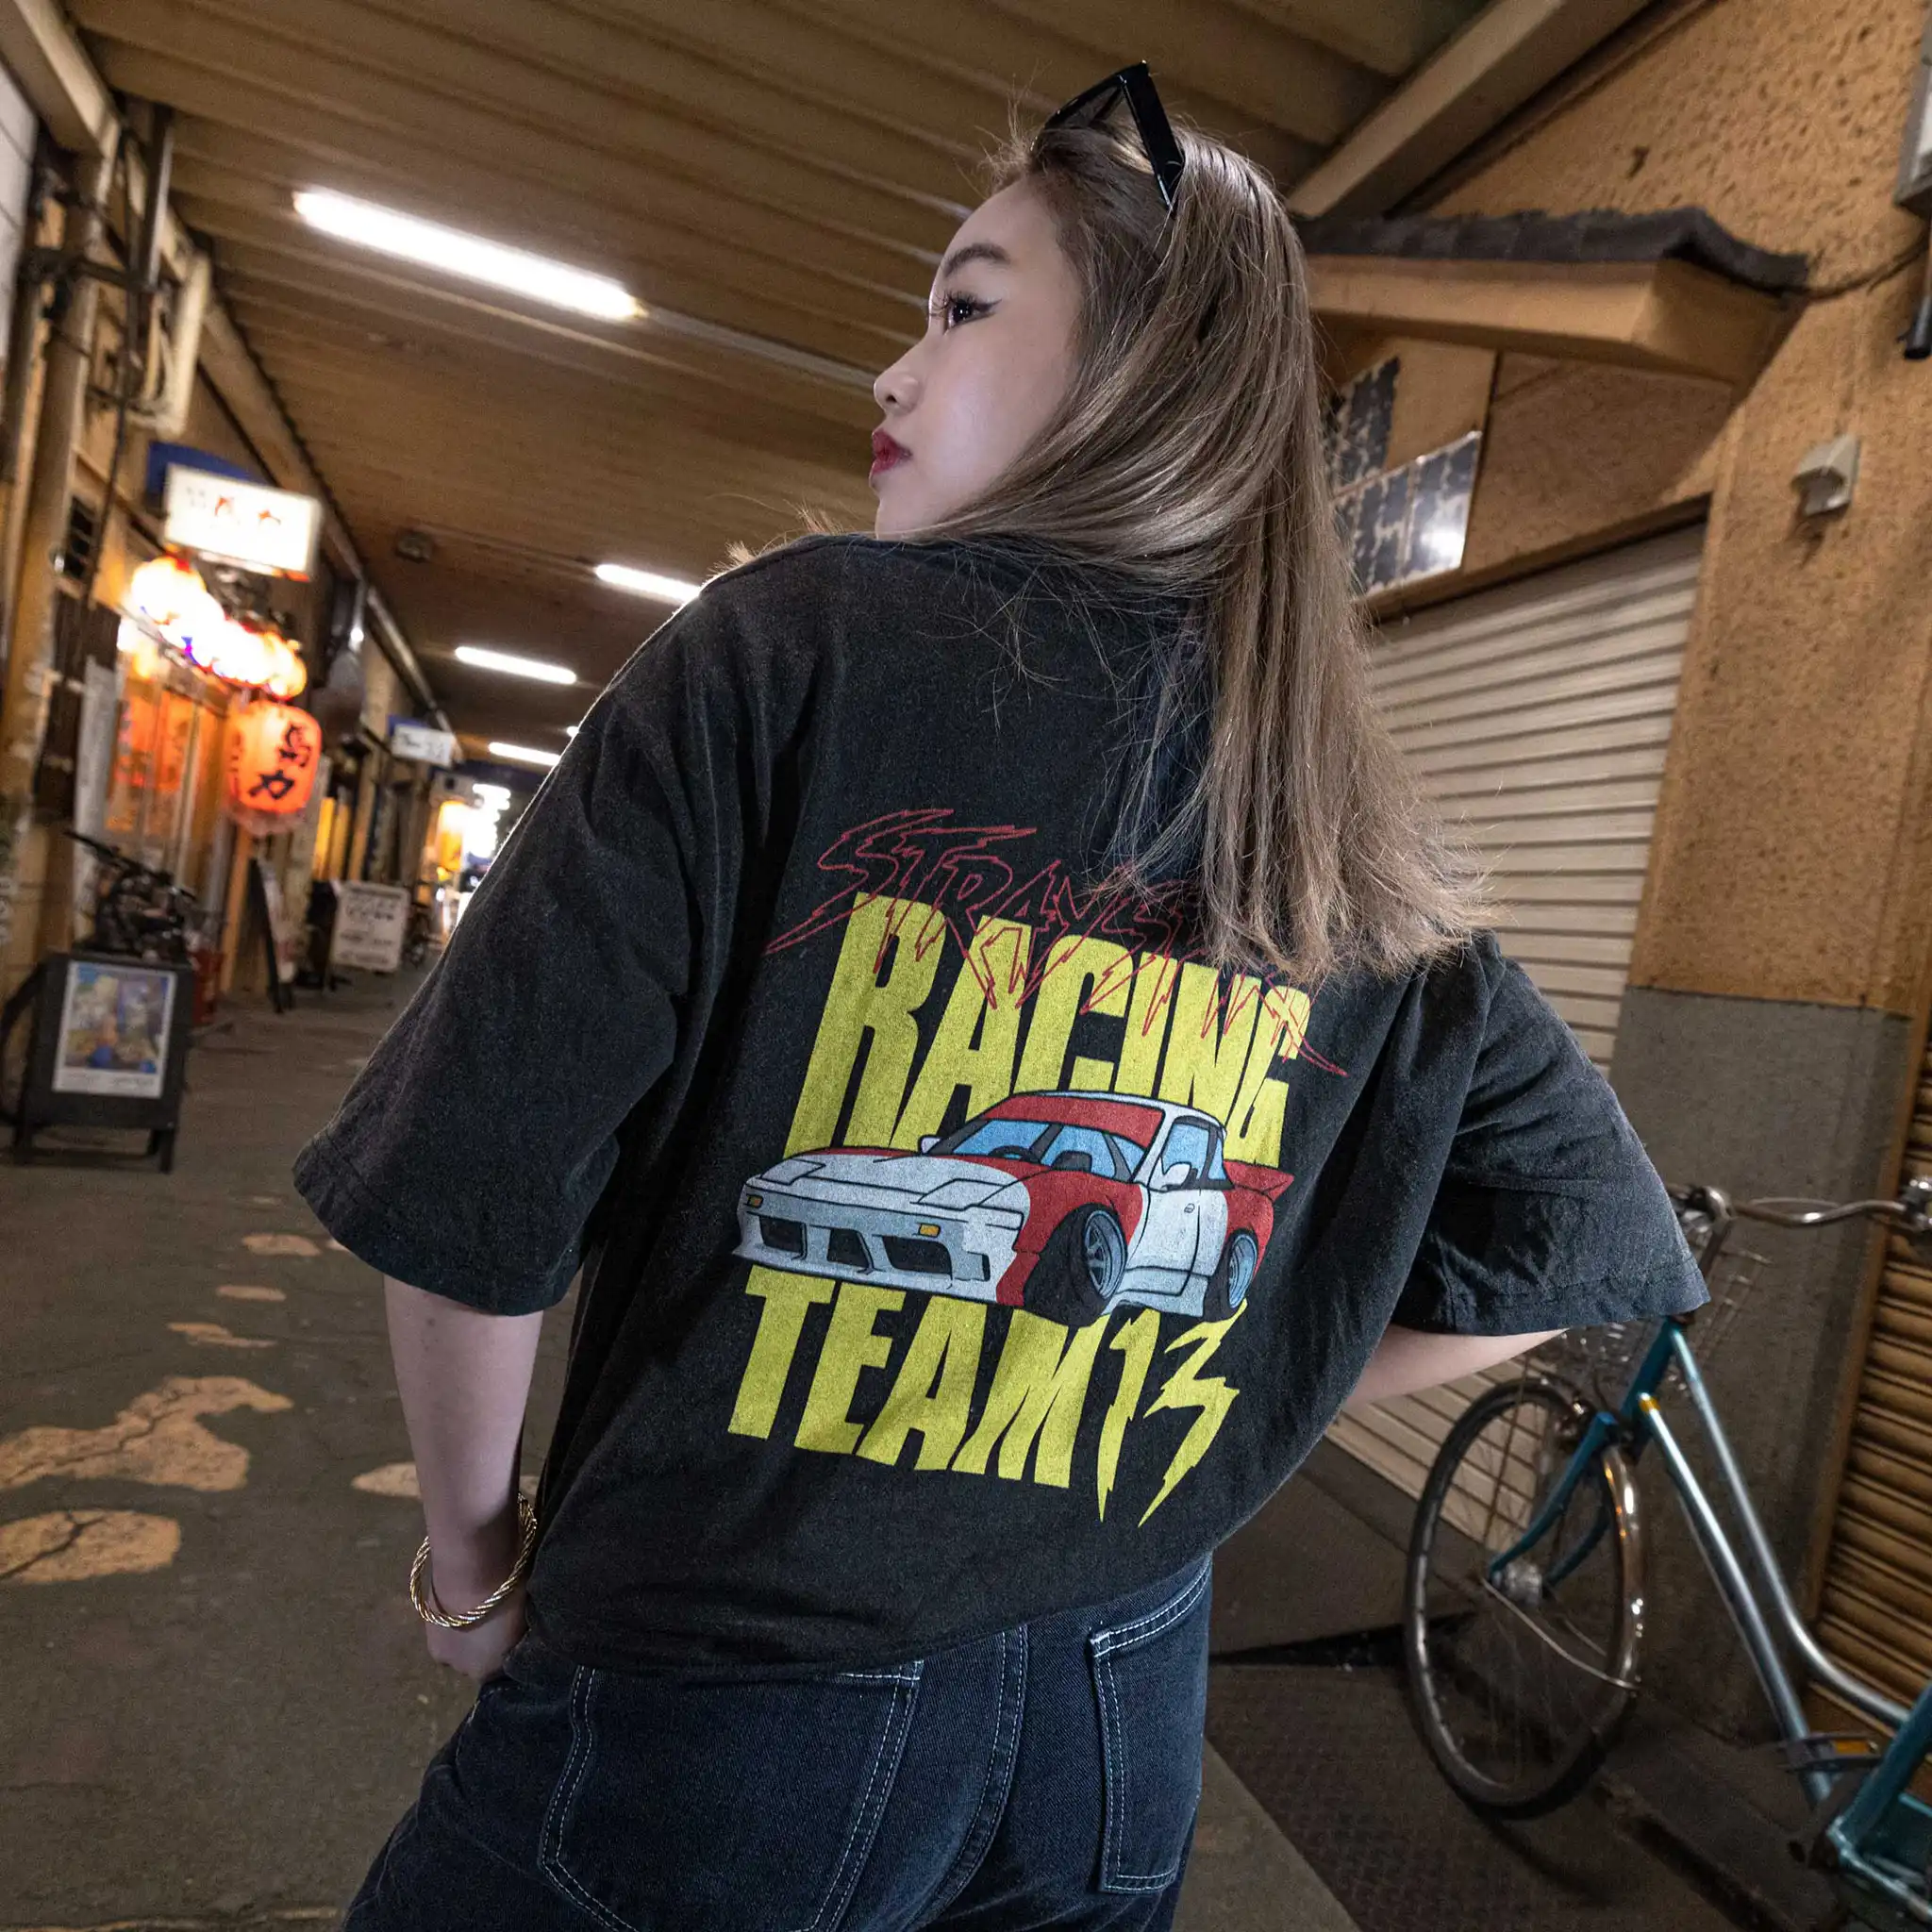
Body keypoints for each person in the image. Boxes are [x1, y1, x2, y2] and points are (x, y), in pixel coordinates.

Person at [295, 64, 1707, 1932]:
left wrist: (471, 1564)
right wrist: (1201, 1405)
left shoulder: (782, 648)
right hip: (1112, 1726)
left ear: (1134, 366)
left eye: (960, 304)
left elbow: (476, 1186)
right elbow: (1591, 1241)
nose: (890, 372)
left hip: (727, 1694)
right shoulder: (1325, 810)